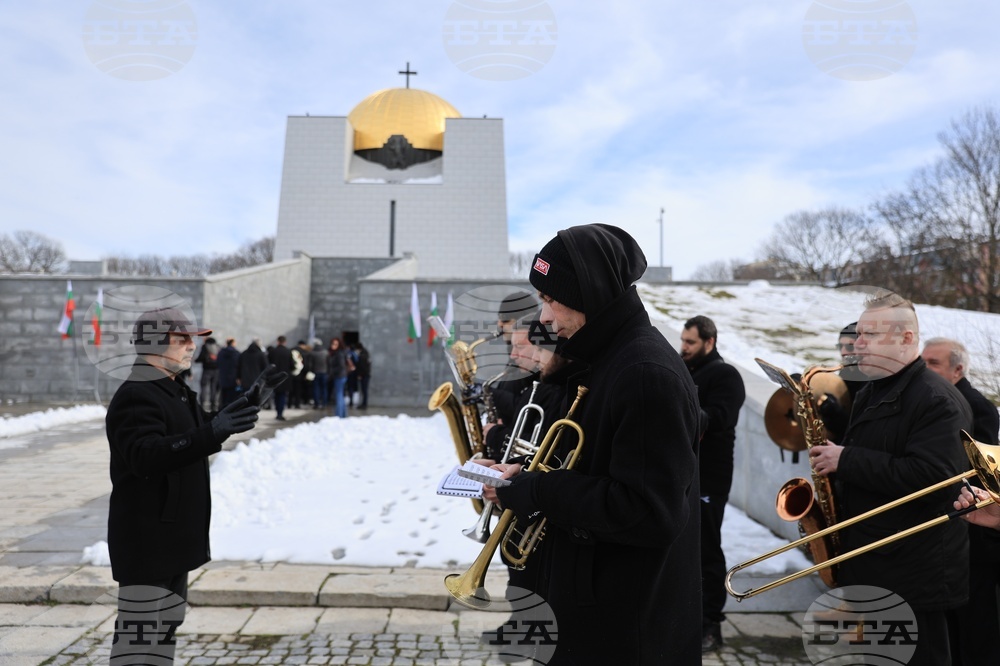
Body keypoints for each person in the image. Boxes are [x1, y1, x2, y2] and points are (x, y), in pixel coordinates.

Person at [484, 224, 702, 664]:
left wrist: (536, 490)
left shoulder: (643, 373)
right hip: (596, 608)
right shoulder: (604, 361)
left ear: (588, 293)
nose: (543, 318)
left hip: (623, 627)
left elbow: (647, 511)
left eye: (550, 299)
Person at [104, 306, 283, 663]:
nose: (192, 347)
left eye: (193, 339)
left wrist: (241, 406)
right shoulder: (138, 394)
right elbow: (145, 455)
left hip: (170, 540)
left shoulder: (172, 389)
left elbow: (196, 429)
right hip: (148, 543)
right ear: (155, 343)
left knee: (165, 627)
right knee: (139, 642)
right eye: (182, 339)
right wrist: (212, 432)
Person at [809, 291, 973, 666]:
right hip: (879, 561)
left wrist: (846, 460)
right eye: (859, 333)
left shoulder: (936, 400)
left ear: (906, 339)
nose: (857, 343)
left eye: (871, 335)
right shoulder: (872, 389)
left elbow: (935, 478)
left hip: (914, 573)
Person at [922, 337, 1000, 665]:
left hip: (975, 538)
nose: (925, 370)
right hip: (958, 534)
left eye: (933, 364)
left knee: (976, 631)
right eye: (922, 363)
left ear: (957, 370)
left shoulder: (975, 405)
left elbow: (983, 471)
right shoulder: (935, 401)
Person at [679, 314, 746, 653]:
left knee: (706, 550)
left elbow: (721, 416)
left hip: (710, 479)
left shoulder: (725, 375)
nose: (684, 348)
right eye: (683, 341)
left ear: (709, 342)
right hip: (682, 475)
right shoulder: (684, 368)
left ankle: (711, 627)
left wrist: (678, 408)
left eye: (690, 343)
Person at [815, 322, 866, 444]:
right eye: (840, 347)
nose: (843, 352)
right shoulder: (846, 373)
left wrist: (836, 413)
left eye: (849, 347)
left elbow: (860, 432)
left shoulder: (873, 381)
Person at [268, 335, 294, 421]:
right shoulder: (288, 351)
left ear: (278, 341)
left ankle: (277, 412)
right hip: (285, 377)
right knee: (283, 395)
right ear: (285, 342)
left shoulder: (273, 352)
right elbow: (292, 365)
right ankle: (280, 413)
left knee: (276, 395)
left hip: (275, 376)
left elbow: (269, 364)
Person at [194, 336, 220, 411]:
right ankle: (213, 405)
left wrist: (196, 360)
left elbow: (201, 356)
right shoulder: (217, 346)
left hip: (207, 370)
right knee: (213, 388)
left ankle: (202, 404)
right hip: (216, 370)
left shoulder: (205, 346)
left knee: (204, 387)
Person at [328, 337, 349, 418]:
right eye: (332, 344)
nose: (333, 345)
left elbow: (341, 365)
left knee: (339, 395)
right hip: (341, 375)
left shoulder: (338, 353)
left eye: (335, 344)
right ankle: (342, 414)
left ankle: (339, 414)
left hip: (339, 376)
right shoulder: (338, 353)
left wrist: (332, 371)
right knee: (340, 395)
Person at [216, 337, 241, 407]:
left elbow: (217, 363)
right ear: (233, 343)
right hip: (233, 378)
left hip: (222, 378)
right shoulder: (236, 353)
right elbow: (239, 365)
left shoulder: (221, 353)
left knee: (223, 398)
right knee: (232, 398)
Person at [308, 338, 329, 409]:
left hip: (315, 372)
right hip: (324, 372)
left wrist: (311, 370)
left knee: (315, 388)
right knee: (324, 388)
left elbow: (310, 364)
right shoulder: (325, 352)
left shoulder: (312, 353)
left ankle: (316, 403)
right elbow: (328, 363)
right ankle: (324, 403)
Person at [354, 341, 371, 409]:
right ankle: (364, 404)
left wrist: (360, 375)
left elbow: (362, 366)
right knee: (364, 391)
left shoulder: (362, 356)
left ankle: (364, 404)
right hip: (366, 375)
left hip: (364, 375)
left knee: (364, 390)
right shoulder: (365, 353)